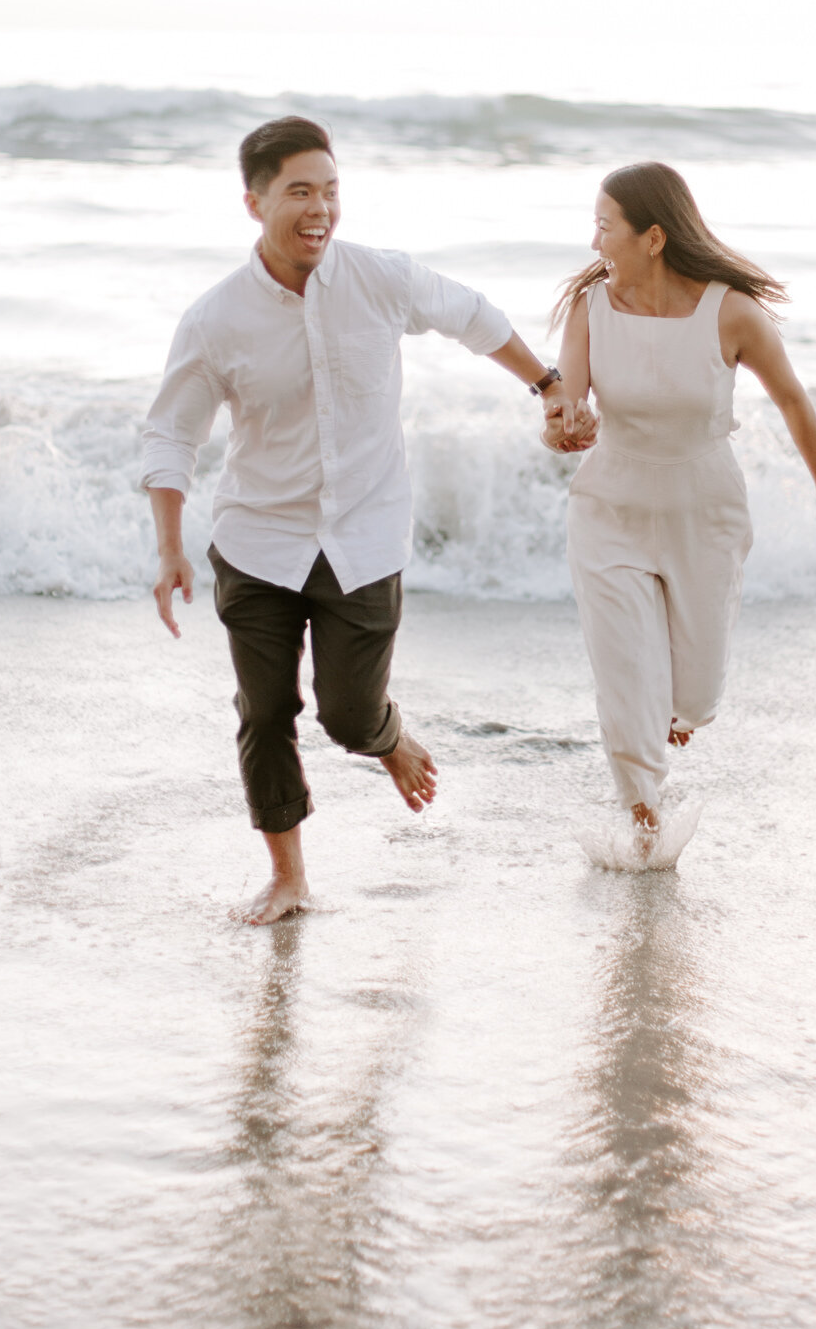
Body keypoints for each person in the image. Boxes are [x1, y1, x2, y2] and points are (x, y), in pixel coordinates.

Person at [142, 115, 590, 924]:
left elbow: (472, 315)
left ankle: (386, 738)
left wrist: (548, 384)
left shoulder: (379, 279)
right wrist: (170, 546)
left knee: (347, 714)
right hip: (256, 543)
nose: (319, 209)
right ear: (254, 203)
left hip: (364, 535)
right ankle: (288, 876)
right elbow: (172, 431)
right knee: (265, 712)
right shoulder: (215, 319)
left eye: (330, 190)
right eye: (298, 193)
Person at [543, 161, 816, 866]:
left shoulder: (730, 312)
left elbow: (792, 402)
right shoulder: (588, 310)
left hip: (703, 513)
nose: (593, 241)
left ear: (651, 238)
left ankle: (678, 713)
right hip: (609, 510)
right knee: (624, 679)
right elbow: (566, 401)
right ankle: (644, 818)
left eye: (604, 226)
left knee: (695, 694)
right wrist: (563, 422)